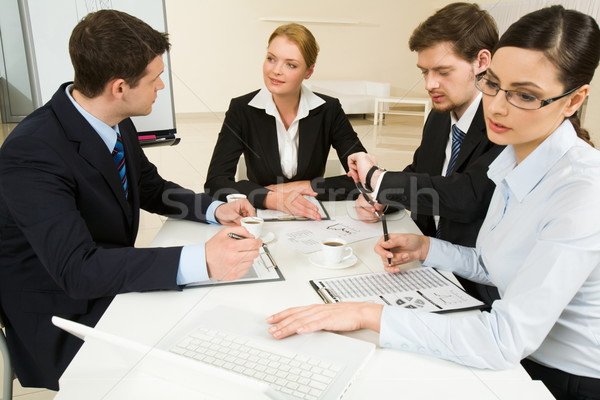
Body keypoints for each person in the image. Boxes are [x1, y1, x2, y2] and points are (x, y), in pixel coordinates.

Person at [268, 6, 600, 399]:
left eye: (525, 95)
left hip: (559, 376)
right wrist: (427, 247)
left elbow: (502, 341)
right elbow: (491, 263)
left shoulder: (582, 192)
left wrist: (366, 313)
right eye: (492, 84)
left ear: (574, 100)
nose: (495, 106)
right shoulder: (512, 156)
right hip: (512, 347)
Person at [0, 10, 262, 390]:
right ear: (119, 87)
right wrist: (202, 259)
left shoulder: (111, 118)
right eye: (155, 79)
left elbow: (149, 186)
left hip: (103, 282)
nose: (160, 87)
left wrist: (212, 208)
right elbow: (78, 269)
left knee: (221, 318)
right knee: (198, 366)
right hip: (59, 315)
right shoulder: (32, 152)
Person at [349, 2, 504, 305]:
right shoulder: (439, 115)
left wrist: (377, 178)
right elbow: (423, 171)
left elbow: (466, 197)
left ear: (481, 61)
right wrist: (381, 196)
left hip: (477, 286)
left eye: (443, 71)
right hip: (425, 266)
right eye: (425, 71)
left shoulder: (503, 123)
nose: (429, 84)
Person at [204, 23, 367, 221]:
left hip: (313, 217)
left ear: (309, 71)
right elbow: (215, 182)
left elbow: (366, 179)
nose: (276, 71)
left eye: (291, 64)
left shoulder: (328, 110)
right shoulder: (242, 109)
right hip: (261, 215)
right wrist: (272, 198)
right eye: (271, 59)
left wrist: (301, 186)